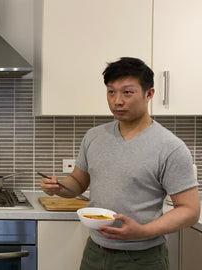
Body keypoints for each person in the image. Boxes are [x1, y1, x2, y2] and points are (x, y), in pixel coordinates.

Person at [40, 57, 200, 270]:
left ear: (149, 94)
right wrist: (58, 187)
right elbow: (78, 182)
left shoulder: (170, 147)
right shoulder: (94, 137)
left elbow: (189, 210)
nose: (117, 101)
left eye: (127, 92)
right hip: (95, 252)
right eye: (111, 92)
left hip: (143, 258)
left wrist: (143, 231)